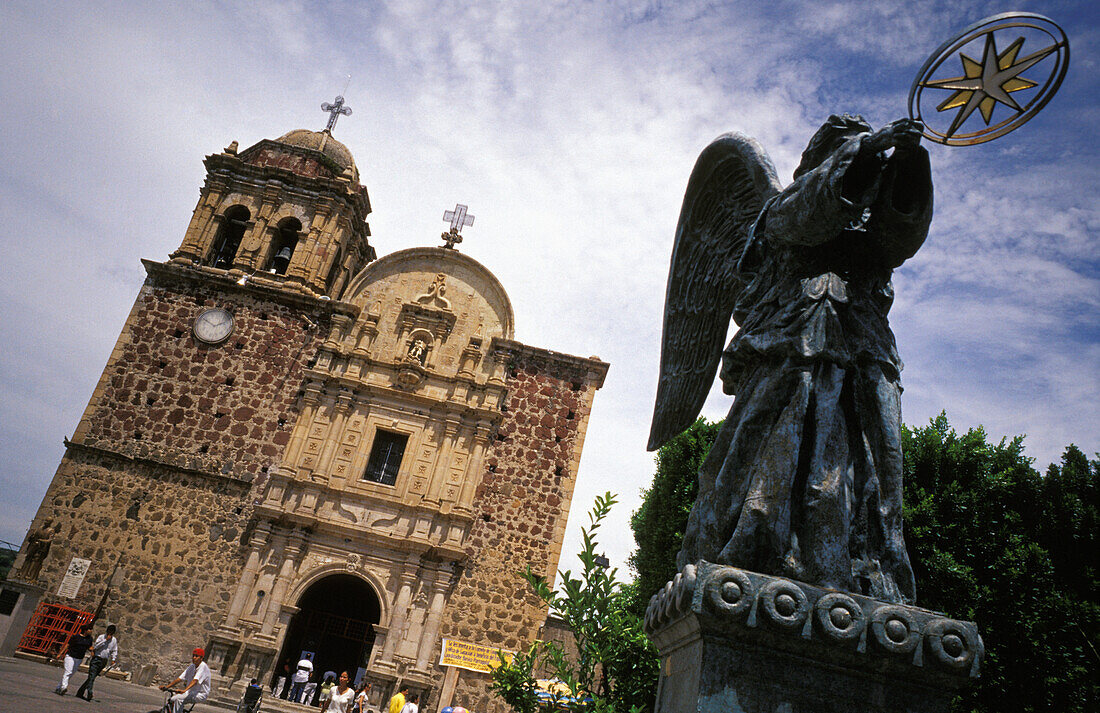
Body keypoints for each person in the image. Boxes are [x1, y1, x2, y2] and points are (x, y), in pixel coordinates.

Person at [661, 115, 929, 604]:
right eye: (849, 153)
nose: (868, 166)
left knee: (871, 479)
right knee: (771, 474)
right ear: (825, 161)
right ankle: (756, 555)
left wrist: (910, 164)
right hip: (793, 355)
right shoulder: (778, 211)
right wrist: (868, 151)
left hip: (863, 361)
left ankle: (863, 570)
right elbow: (808, 214)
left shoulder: (867, 237)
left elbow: (900, 237)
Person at [159, 647, 212, 713]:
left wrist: (184, 690)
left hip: (200, 694)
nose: (194, 658)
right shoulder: (192, 666)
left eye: (196, 656)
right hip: (190, 692)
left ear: (201, 658)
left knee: (179, 699)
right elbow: (179, 679)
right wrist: (167, 687)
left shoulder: (203, 666)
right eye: (193, 656)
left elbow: (195, 681)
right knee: (172, 699)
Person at [76, 623, 119, 701]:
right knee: (91, 676)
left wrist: (113, 659)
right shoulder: (101, 637)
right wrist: (105, 640)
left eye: (111, 633)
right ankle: (90, 692)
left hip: (104, 660)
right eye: (109, 632)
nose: (110, 634)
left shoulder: (114, 640)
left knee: (92, 677)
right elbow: (95, 646)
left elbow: (114, 650)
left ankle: (80, 692)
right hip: (96, 659)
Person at [54, 622, 93, 695]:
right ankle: (64, 687)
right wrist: (60, 654)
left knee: (71, 673)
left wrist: (93, 652)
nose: (91, 631)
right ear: (85, 630)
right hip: (70, 656)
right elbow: (67, 645)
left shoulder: (89, 639)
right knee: (68, 672)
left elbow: (89, 647)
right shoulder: (76, 637)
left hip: (79, 658)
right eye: (89, 629)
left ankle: (59, 687)